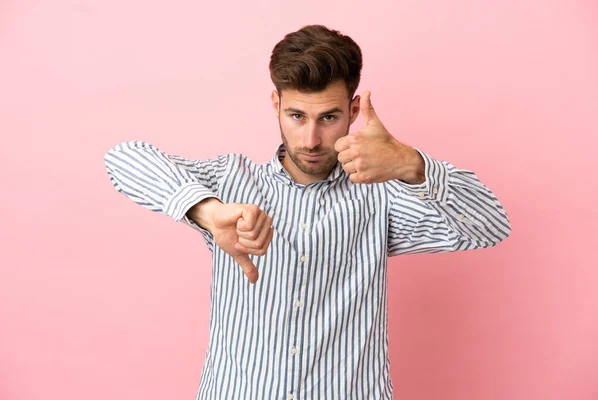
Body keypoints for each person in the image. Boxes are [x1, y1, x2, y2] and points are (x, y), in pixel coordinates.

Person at [104, 24, 511, 400]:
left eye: (329, 118)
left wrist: (410, 163)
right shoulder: (229, 182)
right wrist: (207, 213)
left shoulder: (382, 196)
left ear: (353, 112)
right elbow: (124, 159)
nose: (311, 139)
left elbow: (491, 226)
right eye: (296, 116)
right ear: (276, 104)